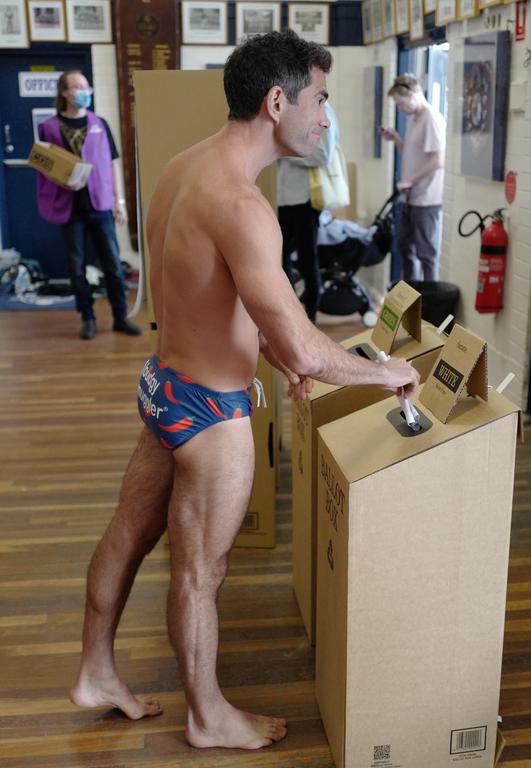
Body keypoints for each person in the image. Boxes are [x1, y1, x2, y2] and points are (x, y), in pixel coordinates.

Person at [68, 30, 419, 752]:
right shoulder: (242, 203)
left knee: (129, 535)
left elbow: (202, 295)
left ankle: (95, 671)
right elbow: (303, 347)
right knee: (202, 572)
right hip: (210, 417)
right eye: (320, 100)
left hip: (165, 388)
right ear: (277, 101)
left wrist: (269, 343)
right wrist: (386, 371)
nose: (325, 118)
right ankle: (207, 716)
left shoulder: (181, 168)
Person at [36, 71, 142, 340]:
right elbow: (45, 165)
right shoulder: (48, 127)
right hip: (69, 208)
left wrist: (119, 201)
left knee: (113, 265)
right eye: (77, 87)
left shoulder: (100, 124)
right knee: (76, 267)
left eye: (86, 87)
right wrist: (60, 179)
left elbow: (112, 163)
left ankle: (120, 317)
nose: (84, 91)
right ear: (64, 93)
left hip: (101, 205)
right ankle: (88, 317)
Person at [277, 101, 343, 322]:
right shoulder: (291, 108)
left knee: (308, 260)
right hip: (282, 198)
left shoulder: (325, 112)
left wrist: (284, 153)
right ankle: (289, 316)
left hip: (305, 200)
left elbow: (323, 155)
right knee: (280, 258)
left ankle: (310, 318)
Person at [381, 74, 446, 282]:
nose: (400, 109)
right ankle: (411, 297)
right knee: (404, 246)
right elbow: (412, 153)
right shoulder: (414, 119)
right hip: (411, 196)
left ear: (415, 94)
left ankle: (430, 303)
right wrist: (397, 139)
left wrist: (411, 180)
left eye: (401, 104)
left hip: (427, 198)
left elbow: (438, 160)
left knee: (425, 253)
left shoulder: (431, 119)